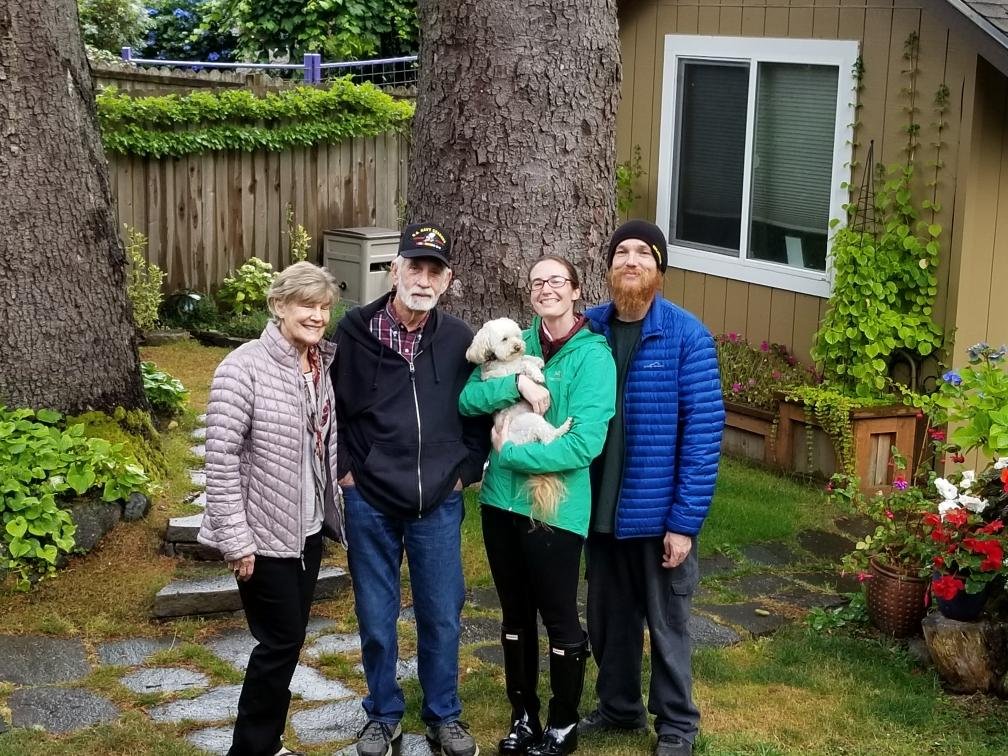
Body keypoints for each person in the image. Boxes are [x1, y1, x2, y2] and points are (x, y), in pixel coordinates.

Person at [331, 222, 491, 756]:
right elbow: (332, 411)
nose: (423, 280)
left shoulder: (460, 341)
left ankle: (443, 715)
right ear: (394, 270)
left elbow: (478, 410)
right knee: (376, 616)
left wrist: (465, 471)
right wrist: (347, 470)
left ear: (447, 282)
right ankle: (382, 713)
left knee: (441, 614)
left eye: (434, 272)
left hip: (437, 502)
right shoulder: (354, 332)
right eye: (414, 267)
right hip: (370, 500)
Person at [459, 255, 616, 756]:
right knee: (513, 614)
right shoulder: (513, 343)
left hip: (556, 507)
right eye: (537, 283)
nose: (545, 289)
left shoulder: (594, 357)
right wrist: (515, 384)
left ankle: (564, 722)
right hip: (500, 504)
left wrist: (512, 454)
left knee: (557, 613)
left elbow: (584, 444)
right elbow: (467, 400)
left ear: (574, 292)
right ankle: (522, 716)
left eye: (556, 281)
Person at [578, 221, 724, 756]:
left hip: (657, 512)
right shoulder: (587, 328)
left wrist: (683, 524)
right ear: (610, 265)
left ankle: (678, 724)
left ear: (659, 269)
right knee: (609, 620)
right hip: (600, 510)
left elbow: (704, 436)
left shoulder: (686, 336)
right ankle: (618, 708)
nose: (631, 260)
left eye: (644, 252)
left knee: (667, 626)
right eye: (621, 252)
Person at [198, 261, 345, 756]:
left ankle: (269, 741)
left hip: (304, 532)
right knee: (279, 642)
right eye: (307, 305)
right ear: (279, 305)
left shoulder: (319, 363)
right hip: (261, 537)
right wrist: (236, 541)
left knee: (289, 640)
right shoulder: (242, 367)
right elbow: (218, 461)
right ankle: (252, 747)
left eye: (324, 307)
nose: (318, 315)